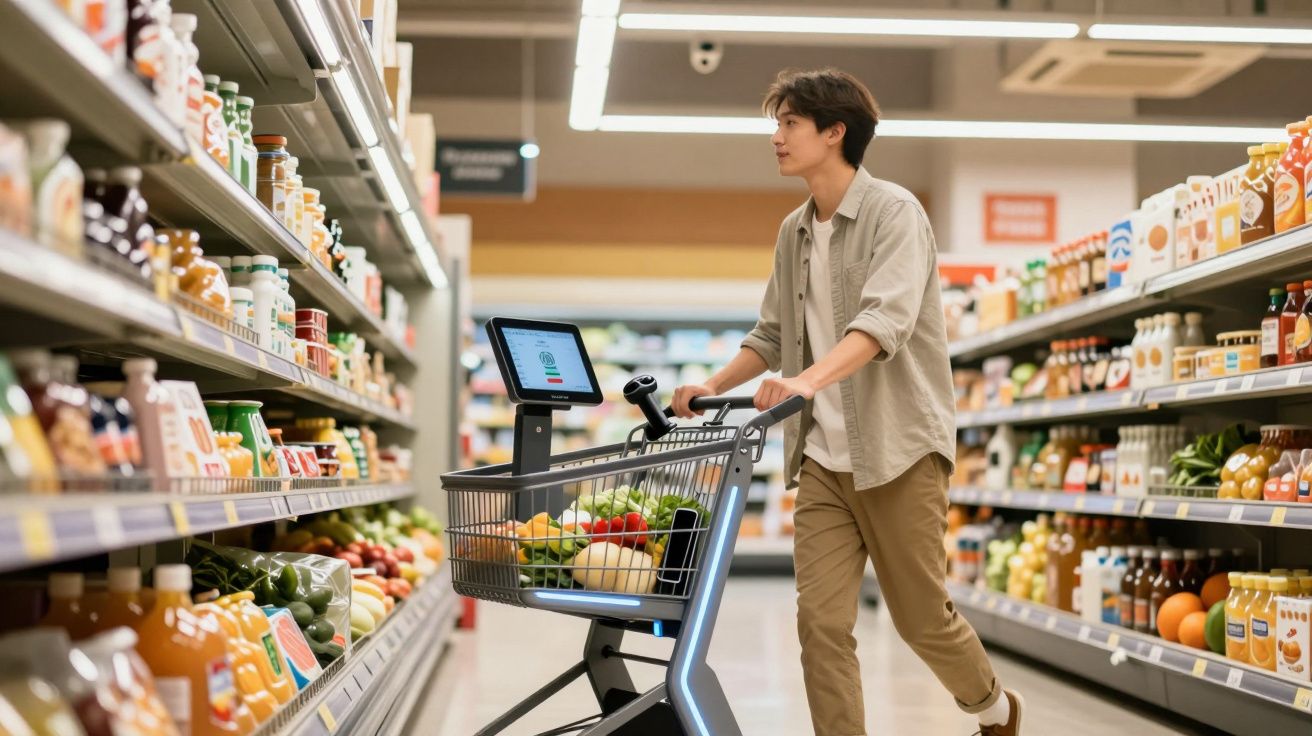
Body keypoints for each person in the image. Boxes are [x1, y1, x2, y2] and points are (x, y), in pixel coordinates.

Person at [672, 68, 1023, 736]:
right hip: (823, 462)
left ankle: (993, 708)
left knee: (921, 618)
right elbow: (772, 334)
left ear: (835, 132)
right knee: (821, 623)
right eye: (777, 124)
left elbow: (884, 322)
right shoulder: (794, 232)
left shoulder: (896, 214)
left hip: (899, 451)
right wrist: (713, 386)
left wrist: (807, 381)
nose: (776, 137)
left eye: (789, 124)